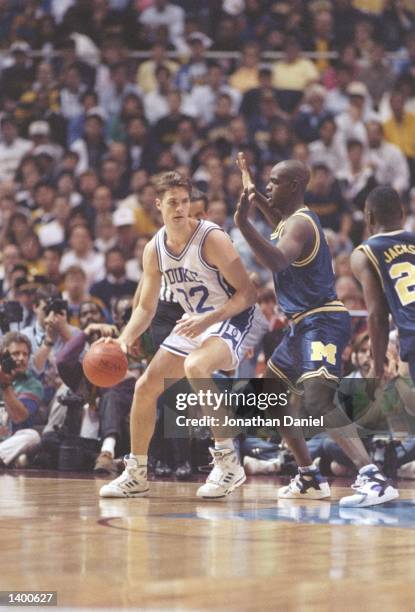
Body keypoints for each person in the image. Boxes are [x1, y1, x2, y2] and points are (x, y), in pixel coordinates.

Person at [234, 154, 398, 507]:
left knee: (318, 399)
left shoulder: (301, 225)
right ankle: (308, 475)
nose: (268, 186)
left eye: (274, 182)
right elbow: (275, 218)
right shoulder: (288, 220)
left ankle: (373, 477)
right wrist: (254, 194)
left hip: (321, 319)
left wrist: (244, 226)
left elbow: (276, 259)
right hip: (300, 326)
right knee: (272, 395)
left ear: (294, 186)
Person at [99, 171, 257, 499]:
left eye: (185, 202)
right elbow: (145, 307)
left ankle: (229, 464)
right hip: (194, 319)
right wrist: (124, 339)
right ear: (158, 205)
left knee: (195, 367)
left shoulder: (212, 238)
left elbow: (247, 293)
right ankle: (136, 473)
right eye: (173, 203)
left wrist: (208, 320)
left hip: (231, 315)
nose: (180, 208)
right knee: (145, 388)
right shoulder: (154, 248)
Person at [351, 185, 415, 384]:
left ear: (369, 217)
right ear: (403, 214)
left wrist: (377, 368)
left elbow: (377, 315)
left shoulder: (365, 254)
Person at [0, 332, 43, 468]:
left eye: (25, 354)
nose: (21, 358)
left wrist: (5, 385)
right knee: (21, 460)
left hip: (13, 440)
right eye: (16, 354)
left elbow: (19, 417)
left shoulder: (33, 384)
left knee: (33, 436)